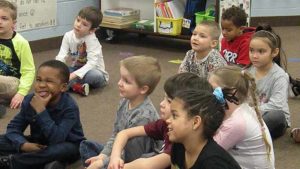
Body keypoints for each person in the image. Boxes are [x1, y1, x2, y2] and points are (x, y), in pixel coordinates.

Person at [108, 72, 212, 169]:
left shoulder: (182, 141)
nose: (161, 104)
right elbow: (124, 133)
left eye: (169, 101)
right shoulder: (165, 123)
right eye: (164, 98)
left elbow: (146, 165)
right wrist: (115, 158)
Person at [80, 56, 162, 169]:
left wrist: (102, 163)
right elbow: (116, 134)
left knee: (95, 162)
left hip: (133, 161)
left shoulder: (143, 117)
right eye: (121, 78)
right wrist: (102, 156)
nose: (119, 83)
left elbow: (133, 159)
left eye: (126, 81)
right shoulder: (125, 101)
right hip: (121, 151)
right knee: (85, 145)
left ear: (143, 89)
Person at [0, 60, 85, 169]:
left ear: (63, 87)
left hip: (66, 144)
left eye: (49, 81)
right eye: (38, 80)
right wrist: (23, 145)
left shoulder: (69, 107)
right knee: (4, 140)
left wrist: (41, 111)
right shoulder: (29, 100)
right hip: (39, 143)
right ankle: (44, 162)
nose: (41, 85)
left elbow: (57, 138)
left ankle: (9, 162)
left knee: (61, 150)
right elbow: (13, 128)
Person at [208, 66, 275, 169]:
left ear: (231, 92)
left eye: (212, 90)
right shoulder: (240, 110)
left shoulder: (237, 122)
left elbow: (207, 152)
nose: (208, 94)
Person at [167, 89, 241, 169]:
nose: (167, 120)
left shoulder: (214, 164)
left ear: (195, 122)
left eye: (174, 115)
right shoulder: (179, 146)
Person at [247, 29, 290, 139]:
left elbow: (276, 105)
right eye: (252, 50)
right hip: (250, 115)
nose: (254, 56)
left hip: (269, 117)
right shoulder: (247, 71)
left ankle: (248, 134)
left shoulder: (280, 76)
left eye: (261, 51)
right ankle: (247, 133)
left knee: (276, 116)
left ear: (274, 52)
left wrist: (249, 112)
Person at [56, 6, 109, 96]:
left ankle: (68, 84)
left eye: (84, 24)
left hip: (94, 71)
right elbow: (62, 55)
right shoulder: (68, 36)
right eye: (78, 20)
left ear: (92, 30)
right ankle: (79, 87)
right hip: (76, 68)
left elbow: (91, 64)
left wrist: (71, 76)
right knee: (62, 71)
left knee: (94, 75)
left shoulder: (92, 40)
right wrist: (56, 69)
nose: (78, 25)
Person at [0, 0, 35, 116]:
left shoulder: (21, 43)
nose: (0, 22)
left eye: (4, 18)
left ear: (13, 23)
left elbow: (29, 71)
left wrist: (21, 93)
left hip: (13, 84)